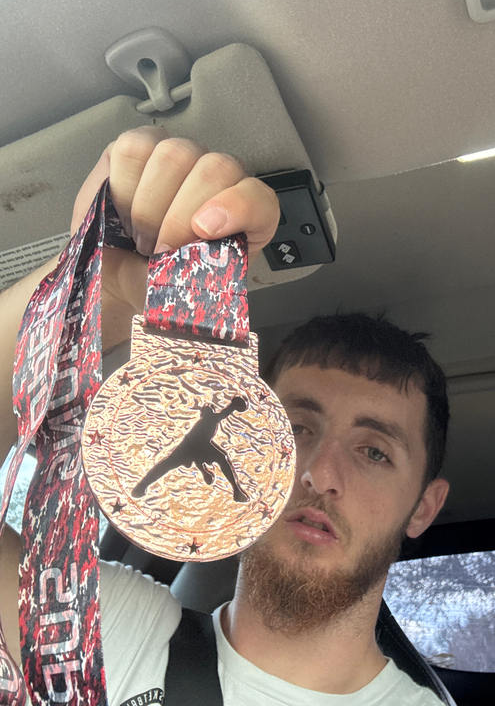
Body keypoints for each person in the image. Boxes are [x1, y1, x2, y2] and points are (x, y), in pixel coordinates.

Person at [0, 127, 450, 705]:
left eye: (374, 452)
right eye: (295, 429)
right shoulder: (104, 633)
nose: (319, 473)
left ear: (424, 507)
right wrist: (101, 287)